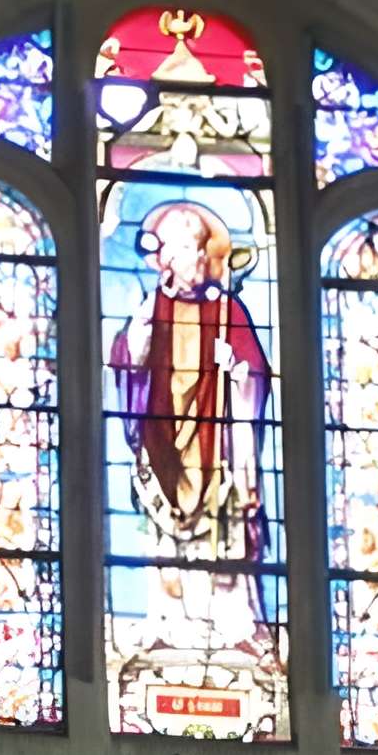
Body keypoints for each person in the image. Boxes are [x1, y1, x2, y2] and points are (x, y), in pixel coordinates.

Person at [108, 198, 271, 648]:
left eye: (201, 250)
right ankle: (167, 618)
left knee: (226, 524)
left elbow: (254, 373)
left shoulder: (229, 312)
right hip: (163, 438)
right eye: (186, 251)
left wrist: (237, 372)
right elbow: (126, 360)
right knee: (163, 533)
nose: (198, 260)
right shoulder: (151, 307)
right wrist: (137, 336)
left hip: (214, 440)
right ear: (166, 259)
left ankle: (232, 621)